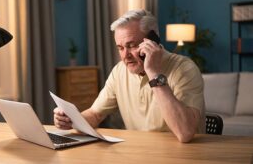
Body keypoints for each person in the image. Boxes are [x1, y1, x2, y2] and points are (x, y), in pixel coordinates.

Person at [54, 9, 205, 143]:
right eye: (120, 48)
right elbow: (95, 114)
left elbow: (185, 133)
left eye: (131, 45)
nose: (125, 56)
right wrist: (71, 120)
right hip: (138, 154)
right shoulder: (119, 71)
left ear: (153, 41)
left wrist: (154, 73)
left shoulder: (185, 69)